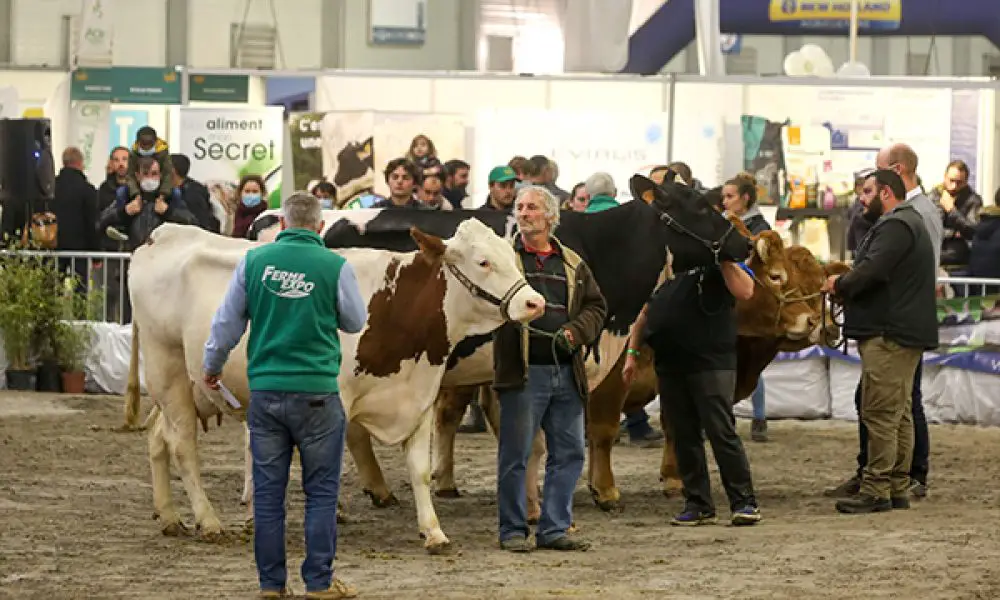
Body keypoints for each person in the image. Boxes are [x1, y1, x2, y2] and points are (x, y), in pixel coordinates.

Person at [202, 192, 367, 599]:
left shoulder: (254, 262)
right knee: (322, 493)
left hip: (267, 392)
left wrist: (211, 366)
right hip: (318, 394)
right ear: (321, 226)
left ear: (282, 224)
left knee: (269, 495)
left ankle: (271, 585)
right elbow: (354, 320)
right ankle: (319, 583)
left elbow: (226, 323)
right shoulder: (335, 265)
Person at [622, 183, 761, 527]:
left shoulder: (714, 262)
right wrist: (632, 352)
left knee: (720, 431)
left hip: (710, 361)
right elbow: (644, 312)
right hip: (670, 362)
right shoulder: (666, 265)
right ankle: (698, 502)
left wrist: (725, 257)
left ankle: (743, 501)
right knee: (682, 434)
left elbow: (746, 291)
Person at [492, 185, 607, 552]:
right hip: (524, 373)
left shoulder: (572, 262)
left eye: (532, 207)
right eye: (520, 207)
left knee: (570, 453)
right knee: (516, 453)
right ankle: (512, 530)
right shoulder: (504, 261)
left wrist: (576, 331)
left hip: (566, 371)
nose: (524, 213)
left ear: (551, 217)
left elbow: (596, 307)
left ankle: (554, 527)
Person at [826, 143, 942, 500]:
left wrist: (839, 284)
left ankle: (877, 488)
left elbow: (871, 272)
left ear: (886, 192)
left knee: (880, 412)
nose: (861, 200)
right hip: (903, 330)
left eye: (867, 192)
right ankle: (896, 485)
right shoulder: (908, 221)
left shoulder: (896, 225)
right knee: (900, 411)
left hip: (889, 333)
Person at [722, 172, 770, 442]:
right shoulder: (725, 223)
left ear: (745, 198)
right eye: (724, 197)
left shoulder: (760, 227)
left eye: (730, 197)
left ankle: (759, 416)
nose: (726, 202)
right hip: (731, 299)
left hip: (749, 300)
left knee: (750, 361)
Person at [125, 126, 174, 202]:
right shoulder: (133, 154)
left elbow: (168, 174)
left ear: (155, 142)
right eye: (143, 144)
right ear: (137, 143)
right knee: (121, 192)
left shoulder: (163, 153)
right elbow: (130, 175)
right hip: (138, 187)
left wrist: (163, 195)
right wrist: (136, 194)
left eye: (149, 144)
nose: (146, 147)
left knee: (176, 193)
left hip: (159, 187)